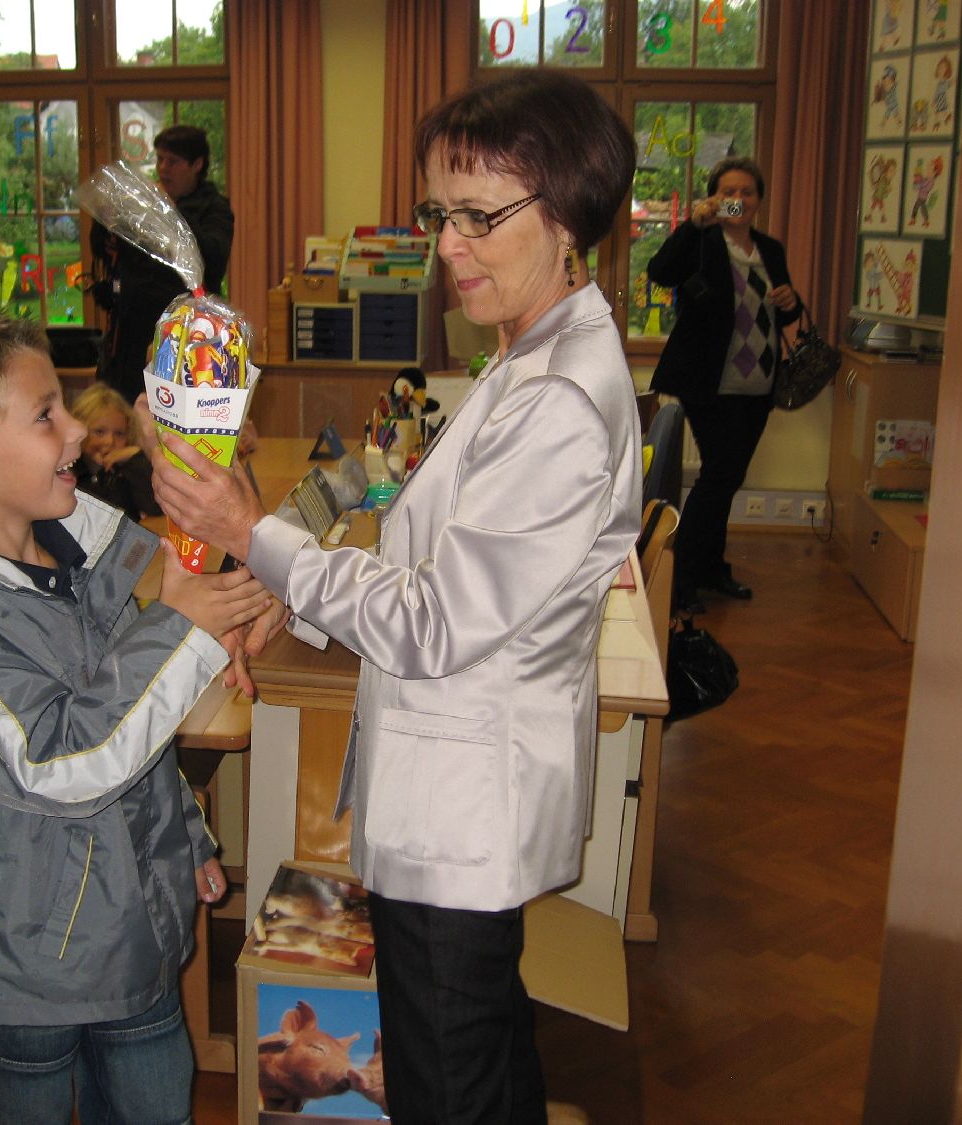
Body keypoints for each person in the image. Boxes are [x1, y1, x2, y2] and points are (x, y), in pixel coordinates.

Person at [147, 70, 640, 1125]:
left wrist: (254, 534)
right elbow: (449, 572)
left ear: (567, 215)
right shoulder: (533, 352)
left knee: (445, 1076)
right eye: (437, 214)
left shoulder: (557, 398)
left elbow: (433, 620)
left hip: (466, 806)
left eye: (479, 216)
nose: (447, 246)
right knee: (478, 1045)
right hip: (464, 790)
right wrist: (292, 592)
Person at [0, 299, 272, 1125]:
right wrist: (185, 628)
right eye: (46, 415)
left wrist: (185, 835)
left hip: (131, 936)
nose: (79, 430)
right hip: (24, 973)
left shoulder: (74, 545)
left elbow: (132, 723)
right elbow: (64, 763)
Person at [646, 156, 802, 613]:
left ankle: (710, 569)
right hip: (708, 382)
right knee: (718, 476)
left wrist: (791, 302)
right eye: (727, 192)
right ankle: (680, 580)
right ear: (714, 197)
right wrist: (693, 225)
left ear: (758, 201)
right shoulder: (703, 240)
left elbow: (784, 313)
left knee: (728, 478)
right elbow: (660, 271)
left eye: (746, 192)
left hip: (758, 384)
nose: (737, 200)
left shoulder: (769, 249)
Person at [90, 124, 234, 405]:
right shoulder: (145, 204)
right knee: (124, 413)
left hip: (184, 336)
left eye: (173, 161)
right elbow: (106, 252)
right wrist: (107, 223)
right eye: (159, 159)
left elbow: (213, 258)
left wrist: (170, 211)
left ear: (197, 165)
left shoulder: (214, 208)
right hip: (130, 335)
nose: (163, 168)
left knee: (175, 414)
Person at [68, 383, 161, 522]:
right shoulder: (69, 472)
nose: (110, 441)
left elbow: (155, 509)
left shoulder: (127, 469)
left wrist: (135, 458)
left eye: (119, 434)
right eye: (99, 432)